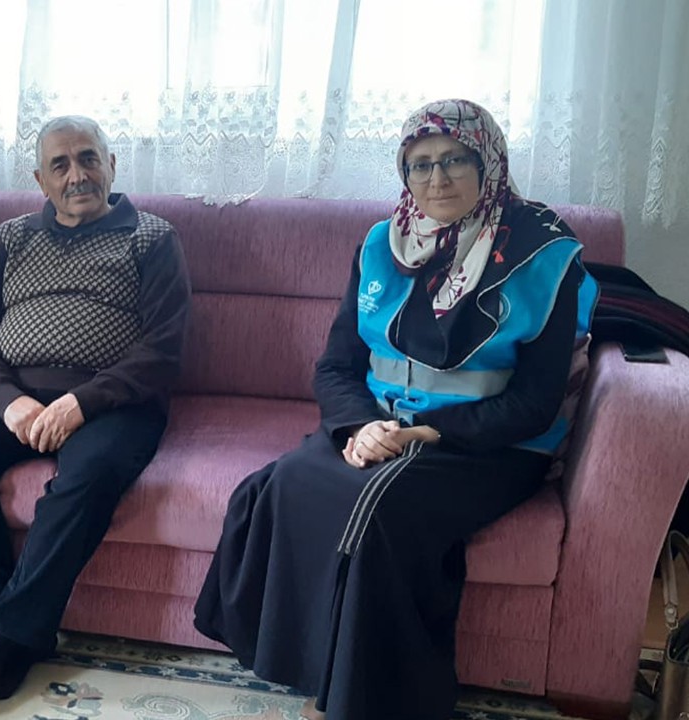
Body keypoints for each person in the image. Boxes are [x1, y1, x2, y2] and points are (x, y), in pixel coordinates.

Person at [194, 99, 598, 720]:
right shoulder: (382, 245)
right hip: (381, 425)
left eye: (454, 160)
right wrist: (360, 427)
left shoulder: (543, 256)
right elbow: (335, 367)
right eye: (420, 164)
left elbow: (535, 403)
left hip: (488, 444)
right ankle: (311, 671)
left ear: (488, 163)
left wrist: (428, 432)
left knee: (378, 513)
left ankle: (358, 703)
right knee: (282, 484)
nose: (437, 178)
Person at [0, 115, 192, 713]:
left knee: (89, 477)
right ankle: (5, 621)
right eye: (59, 165)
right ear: (40, 180)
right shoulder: (9, 239)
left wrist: (80, 403)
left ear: (111, 165)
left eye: (88, 158)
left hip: (113, 400)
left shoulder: (152, 237)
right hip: (12, 393)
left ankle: (5, 638)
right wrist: (7, 400)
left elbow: (163, 349)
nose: (76, 175)